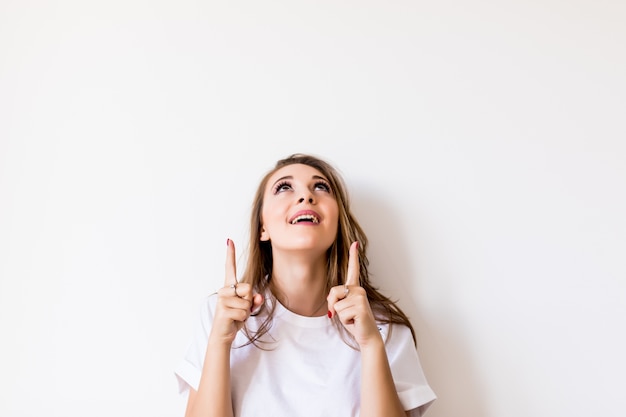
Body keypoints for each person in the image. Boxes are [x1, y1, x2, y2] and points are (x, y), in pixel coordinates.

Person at [175, 153, 436, 417]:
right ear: (262, 227)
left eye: (320, 187)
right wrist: (220, 340)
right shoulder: (219, 315)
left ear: (337, 223)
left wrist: (371, 344)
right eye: (284, 187)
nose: (306, 197)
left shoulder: (384, 327)